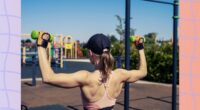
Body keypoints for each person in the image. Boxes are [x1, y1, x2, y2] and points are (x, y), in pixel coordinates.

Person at [37, 33, 147, 110]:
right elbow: (143, 72)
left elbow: (48, 77)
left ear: (90, 53)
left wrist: (42, 45)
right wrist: (140, 47)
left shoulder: (86, 78)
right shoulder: (120, 75)